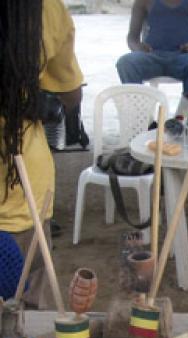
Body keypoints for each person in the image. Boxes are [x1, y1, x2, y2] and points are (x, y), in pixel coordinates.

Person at [0, 0, 83, 308]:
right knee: (28, 329)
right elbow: (69, 94)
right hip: (19, 187)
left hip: (20, 189)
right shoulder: (44, 8)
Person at [116, 0, 188, 118]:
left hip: (183, 58)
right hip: (151, 57)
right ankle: (145, 118)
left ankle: (180, 116)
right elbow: (132, 37)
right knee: (125, 63)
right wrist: (138, 48)